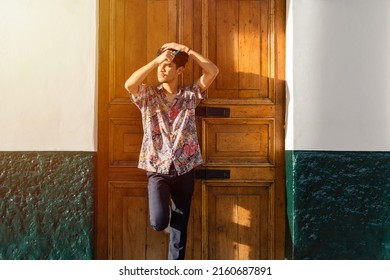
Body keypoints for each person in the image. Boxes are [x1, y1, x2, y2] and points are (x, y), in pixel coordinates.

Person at [124, 42, 219, 260]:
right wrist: (157, 59)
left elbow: (213, 71)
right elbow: (129, 84)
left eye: (167, 66)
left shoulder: (190, 94)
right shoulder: (147, 95)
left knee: (179, 229)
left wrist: (188, 51)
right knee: (159, 222)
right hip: (157, 168)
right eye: (161, 65)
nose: (162, 69)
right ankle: (162, 218)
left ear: (179, 71)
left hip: (185, 167)